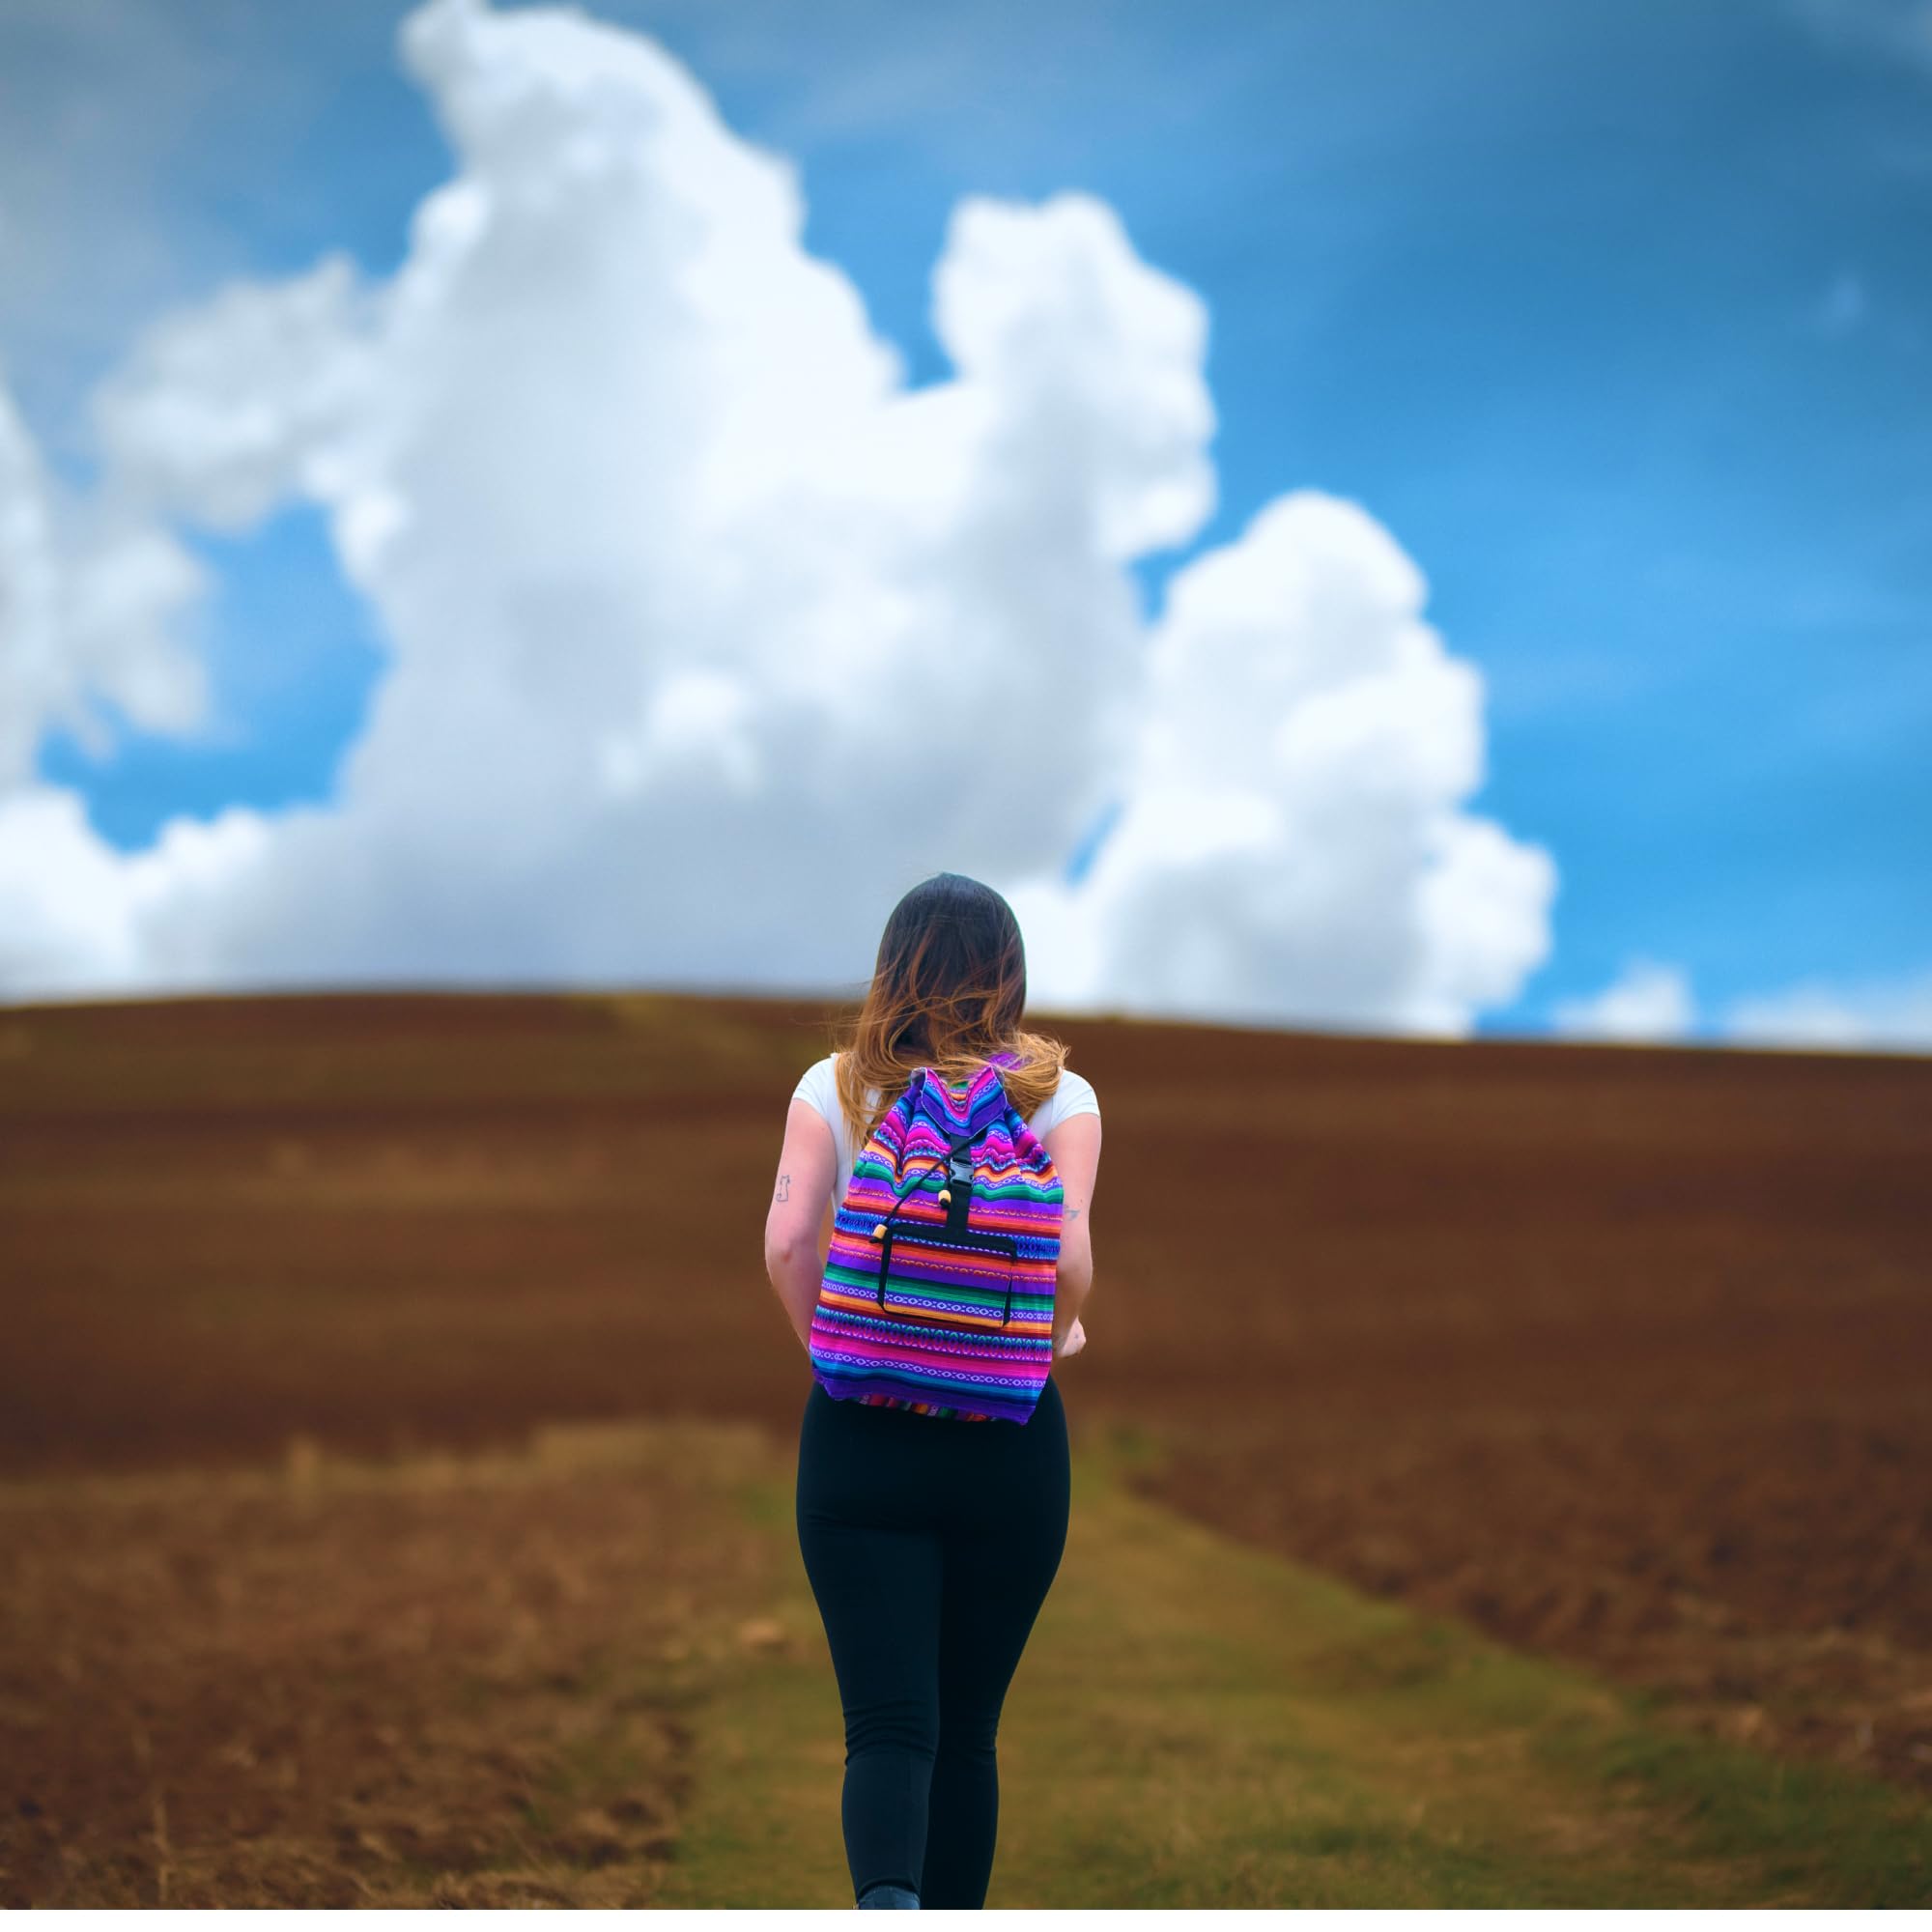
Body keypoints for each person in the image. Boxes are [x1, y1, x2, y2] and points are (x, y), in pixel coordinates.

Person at [763, 871, 1103, 1910]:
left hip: (860, 1436)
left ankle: (887, 1901)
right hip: (1007, 1441)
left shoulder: (833, 1085)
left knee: (888, 1723)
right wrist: (1031, 1349)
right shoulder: (1058, 1094)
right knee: (966, 1728)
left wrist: (841, 1355)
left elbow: (786, 1240)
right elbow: (1072, 1260)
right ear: (1009, 975)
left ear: (890, 967)